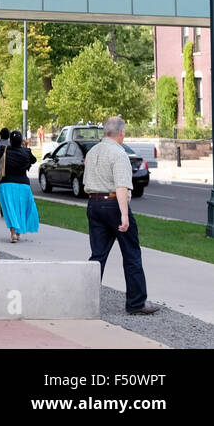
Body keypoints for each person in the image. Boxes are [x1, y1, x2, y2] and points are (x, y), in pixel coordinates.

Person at [83, 116, 158, 315]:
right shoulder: (119, 153)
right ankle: (136, 303)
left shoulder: (92, 152)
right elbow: (121, 186)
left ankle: (84, 301)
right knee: (131, 253)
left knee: (97, 256)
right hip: (114, 204)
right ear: (122, 133)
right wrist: (124, 215)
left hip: (94, 203)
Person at [0, 130, 39, 243]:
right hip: (23, 185)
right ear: (21, 141)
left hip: (6, 184)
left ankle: (13, 232)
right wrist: (25, 147)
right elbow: (34, 160)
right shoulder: (26, 152)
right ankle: (18, 233)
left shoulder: (3, 150)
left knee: (10, 209)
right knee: (22, 209)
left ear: (10, 141)